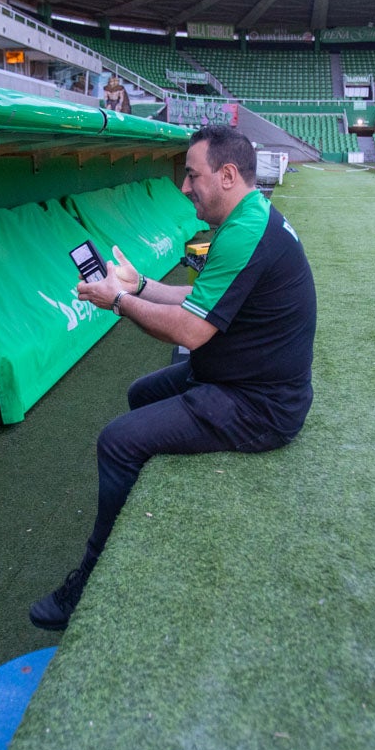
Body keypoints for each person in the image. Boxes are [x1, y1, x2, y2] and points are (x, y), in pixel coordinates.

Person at [29, 124, 317, 630]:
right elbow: (199, 301)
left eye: (192, 175)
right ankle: (137, 510)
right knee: (141, 393)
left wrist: (118, 301)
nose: (184, 186)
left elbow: (190, 328)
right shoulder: (249, 217)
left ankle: (88, 583)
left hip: (262, 406)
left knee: (115, 442)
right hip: (242, 380)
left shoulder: (246, 231)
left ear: (227, 175)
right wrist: (140, 284)